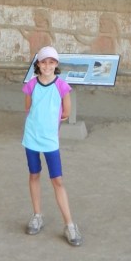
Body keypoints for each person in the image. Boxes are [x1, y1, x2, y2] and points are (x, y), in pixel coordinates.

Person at [22, 46, 82, 247]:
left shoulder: (61, 86)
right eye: (44, 62)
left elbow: (66, 111)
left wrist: (52, 123)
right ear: (38, 64)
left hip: (50, 141)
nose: (47, 65)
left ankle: (70, 224)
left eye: (51, 62)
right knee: (34, 175)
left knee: (57, 180)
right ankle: (37, 215)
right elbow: (28, 107)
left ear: (56, 65)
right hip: (31, 137)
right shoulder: (31, 84)